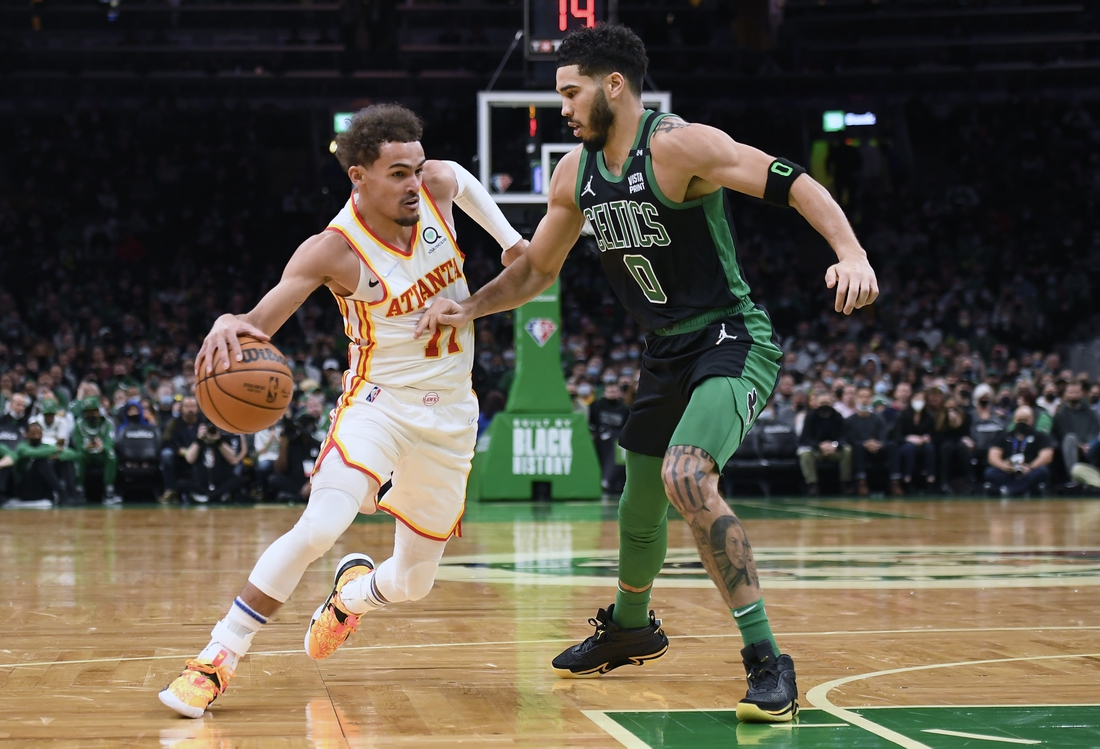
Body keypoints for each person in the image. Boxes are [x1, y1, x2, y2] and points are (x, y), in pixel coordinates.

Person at [416, 24, 877, 723]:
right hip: (664, 348)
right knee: (637, 505)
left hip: (730, 336)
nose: (562, 107)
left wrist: (851, 251)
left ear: (614, 85)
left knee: (687, 476)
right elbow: (538, 269)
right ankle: (632, 626)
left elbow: (792, 178)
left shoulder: (679, 144)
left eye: (571, 92)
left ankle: (766, 659)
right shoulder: (574, 174)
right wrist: (468, 308)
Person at [159, 103, 527, 718]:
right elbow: (259, 322)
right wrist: (233, 322)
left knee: (414, 583)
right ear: (358, 176)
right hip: (377, 405)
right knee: (322, 525)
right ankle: (216, 658)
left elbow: (459, 176)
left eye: (415, 167)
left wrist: (511, 241)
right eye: (397, 174)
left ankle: (350, 599)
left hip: (453, 415)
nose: (414, 182)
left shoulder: (437, 185)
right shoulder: (332, 250)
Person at [985, 405, 1053, 497]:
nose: (1022, 423)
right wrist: (1003, 466)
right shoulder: (1004, 436)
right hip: (1008, 471)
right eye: (1019, 420)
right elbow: (992, 456)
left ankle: (1009, 490)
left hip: (1029, 471)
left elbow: (1047, 456)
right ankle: (1023, 489)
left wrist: (1030, 467)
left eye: (1025, 420)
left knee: (1043, 471)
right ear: (1014, 420)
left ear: (1032, 420)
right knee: (990, 472)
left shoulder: (1040, 437)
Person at [797, 389, 852, 496]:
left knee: (848, 451)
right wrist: (819, 446)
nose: (824, 406)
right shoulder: (810, 417)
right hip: (817, 450)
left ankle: (845, 483)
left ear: (832, 403)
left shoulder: (838, 416)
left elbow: (844, 436)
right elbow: (805, 438)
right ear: (816, 404)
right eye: (822, 403)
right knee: (805, 454)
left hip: (834, 450)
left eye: (827, 403)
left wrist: (835, 445)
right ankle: (812, 484)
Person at [70, 396, 120, 505]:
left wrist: (102, 446)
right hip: (86, 454)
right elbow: (77, 444)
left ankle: (109, 491)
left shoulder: (107, 423)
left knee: (111, 455)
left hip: (101, 453)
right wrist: (85, 447)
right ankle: (79, 490)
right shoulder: (78, 424)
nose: (91, 414)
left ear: (98, 411)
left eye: (93, 411)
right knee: (77, 456)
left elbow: (110, 442)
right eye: (87, 412)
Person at [844, 386, 893, 496]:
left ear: (871, 399)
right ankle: (861, 482)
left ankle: (895, 481)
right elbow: (850, 439)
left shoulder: (878, 418)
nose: (864, 400)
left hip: (878, 450)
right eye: (861, 397)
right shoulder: (849, 420)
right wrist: (865, 443)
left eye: (867, 397)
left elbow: (883, 436)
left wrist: (878, 443)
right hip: (860, 450)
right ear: (856, 398)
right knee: (858, 447)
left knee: (891, 445)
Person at [1051, 381, 1099, 485]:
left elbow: (1094, 429)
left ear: (1082, 393)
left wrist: (1089, 443)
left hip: (1091, 447)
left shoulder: (1090, 412)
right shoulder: (1061, 414)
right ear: (1066, 394)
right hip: (1072, 448)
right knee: (1070, 438)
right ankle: (1073, 478)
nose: (1073, 395)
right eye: (1071, 392)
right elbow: (1062, 433)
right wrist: (1080, 445)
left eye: (1076, 392)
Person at [159, 395, 202, 504]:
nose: (190, 410)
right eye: (187, 406)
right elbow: (166, 441)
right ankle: (170, 490)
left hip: (200, 455)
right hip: (179, 456)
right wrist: (180, 451)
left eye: (193, 406)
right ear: (181, 408)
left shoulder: (203, 422)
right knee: (166, 454)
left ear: (198, 408)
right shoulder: (173, 423)